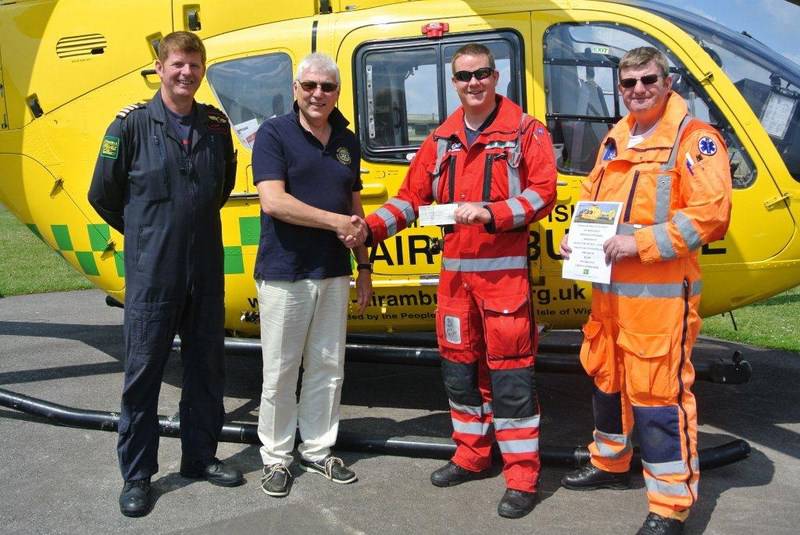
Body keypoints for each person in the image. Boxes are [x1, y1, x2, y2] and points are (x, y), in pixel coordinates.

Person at [363, 43, 557, 518]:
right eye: (464, 76)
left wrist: (491, 213)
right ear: (454, 82)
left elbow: (543, 195)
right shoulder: (442, 139)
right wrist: (367, 229)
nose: (473, 83)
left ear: (497, 77)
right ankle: (472, 455)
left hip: (504, 284)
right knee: (459, 375)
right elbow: (411, 197)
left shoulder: (525, 133)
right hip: (455, 286)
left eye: (482, 74)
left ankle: (522, 478)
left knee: (512, 383)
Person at [559, 47, 732, 535]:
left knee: (658, 395)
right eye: (629, 82)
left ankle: (669, 506)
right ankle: (610, 462)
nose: (638, 90)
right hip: (610, 293)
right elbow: (591, 196)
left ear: (668, 80)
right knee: (606, 376)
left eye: (648, 80)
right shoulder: (616, 137)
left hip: (659, 297)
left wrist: (638, 242)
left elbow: (710, 216)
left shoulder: (694, 139)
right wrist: (579, 234)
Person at [88, 31, 243, 517]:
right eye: (177, 64)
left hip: (204, 273)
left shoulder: (216, 127)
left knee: (207, 372)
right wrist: (149, 233)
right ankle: (137, 476)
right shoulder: (131, 127)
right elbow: (103, 195)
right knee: (143, 376)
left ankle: (200, 457)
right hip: (153, 276)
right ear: (159, 68)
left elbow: (222, 187)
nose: (186, 73)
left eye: (194, 66)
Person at [251, 52, 372, 498]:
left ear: (338, 92)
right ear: (296, 89)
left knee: (327, 366)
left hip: (334, 272)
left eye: (327, 87)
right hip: (286, 272)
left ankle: (318, 450)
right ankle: (276, 458)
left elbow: (354, 207)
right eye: (310, 86)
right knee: (280, 371)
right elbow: (274, 202)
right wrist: (335, 223)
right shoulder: (273, 133)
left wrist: (364, 265)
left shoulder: (347, 140)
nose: (318, 94)